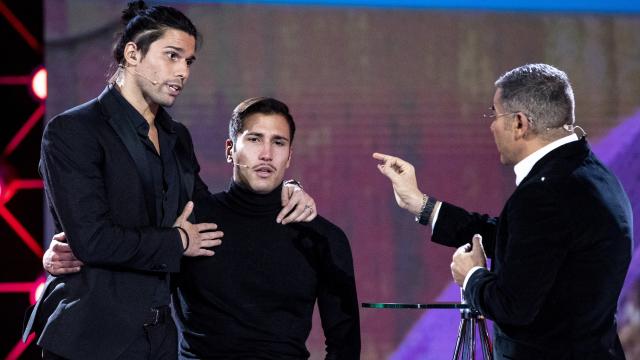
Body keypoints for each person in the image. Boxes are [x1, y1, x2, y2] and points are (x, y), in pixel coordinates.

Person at [23, 2, 315, 359]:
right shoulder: (75, 131)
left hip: (159, 339)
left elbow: (207, 215)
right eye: (172, 56)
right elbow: (94, 240)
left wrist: (283, 190)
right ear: (132, 54)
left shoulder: (176, 137)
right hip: (92, 337)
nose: (183, 72)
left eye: (188, 62)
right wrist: (176, 240)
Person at [45, 97, 361, 359]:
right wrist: (60, 261)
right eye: (254, 139)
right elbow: (125, 266)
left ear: (289, 155)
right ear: (229, 150)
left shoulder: (322, 238)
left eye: (278, 142)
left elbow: (344, 342)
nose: (266, 154)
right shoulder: (190, 223)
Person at [374, 63, 633, 359]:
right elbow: (531, 242)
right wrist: (424, 206)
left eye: (494, 114)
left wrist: (471, 276)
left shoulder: (544, 194)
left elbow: (513, 306)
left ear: (520, 123)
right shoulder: (590, 173)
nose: (491, 125)